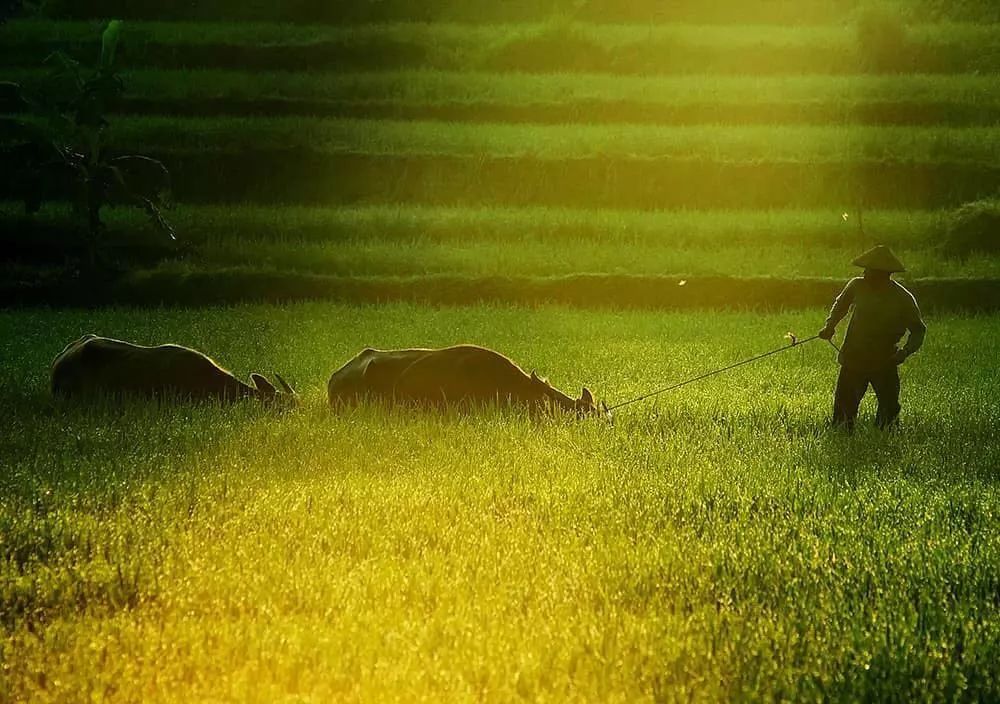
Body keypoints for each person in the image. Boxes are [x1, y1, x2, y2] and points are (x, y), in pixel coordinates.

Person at [818, 245, 926, 430]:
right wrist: (829, 326)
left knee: (889, 411)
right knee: (843, 410)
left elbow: (918, 330)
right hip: (854, 356)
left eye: (871, 271)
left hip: (884, 359)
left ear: (885, 274)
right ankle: (843, 437)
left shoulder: (902, 297)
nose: (866, 273)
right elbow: (840, 306)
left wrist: (905, 352)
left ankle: (884, 441)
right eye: (865, 270)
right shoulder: (856, 285)